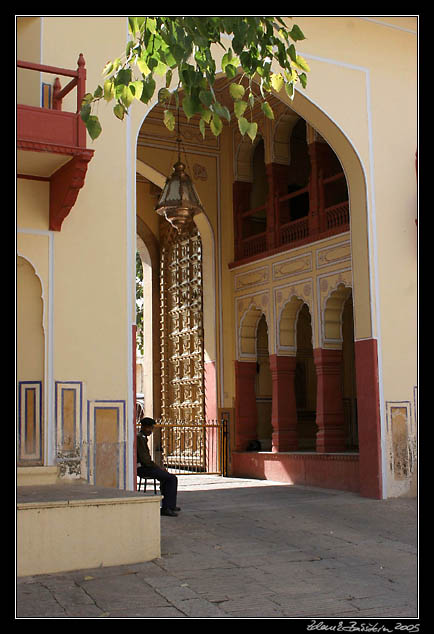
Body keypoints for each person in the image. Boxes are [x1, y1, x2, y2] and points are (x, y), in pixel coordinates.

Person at [137, 417, 180, 517]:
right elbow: (145, 460)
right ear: (143, 427)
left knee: (167, 478)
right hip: (143, 468)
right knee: (171, 479)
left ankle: (170, 505)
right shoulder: (140, 438)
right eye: (149, 428)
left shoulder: (142, 438)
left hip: (146, 466)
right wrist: (158, 468)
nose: (151, 431)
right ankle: (167, 507)